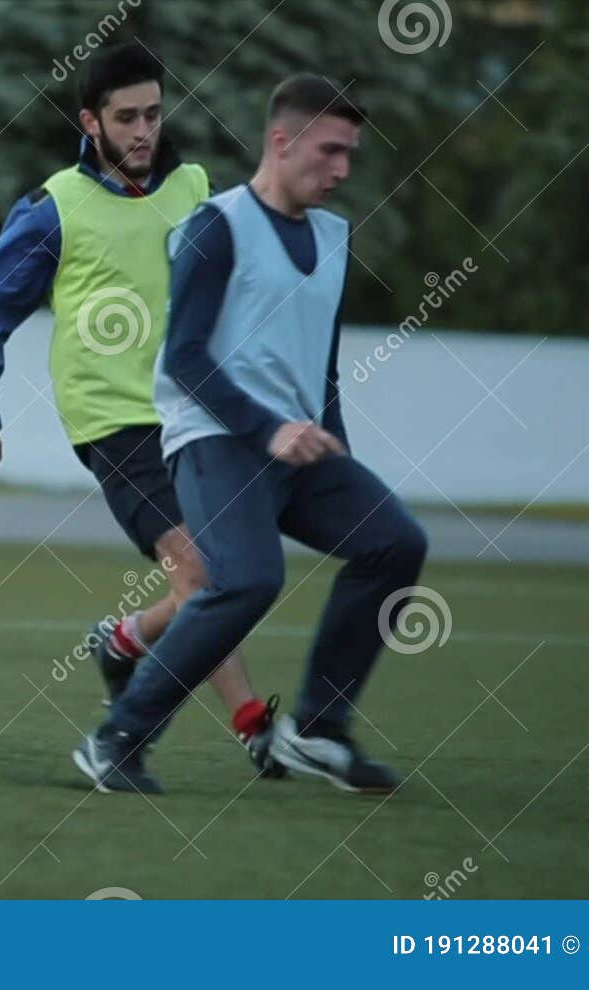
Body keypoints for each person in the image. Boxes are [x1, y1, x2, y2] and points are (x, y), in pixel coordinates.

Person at [73, 75, 429, 796]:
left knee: (395, 541)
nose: (342, 170)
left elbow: (319, 368)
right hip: (215, 440)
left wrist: (337, 457)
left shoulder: (334, 235)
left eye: (350, 154)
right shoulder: (217, 226)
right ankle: (116, 740)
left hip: (298, 449)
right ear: (282, 141)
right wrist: (268, 430)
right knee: (246, 581)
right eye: (330, 151)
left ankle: (319, 732)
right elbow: (185, 359)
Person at [0, 42, 277, 765]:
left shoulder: (196, 187)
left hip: (192, 410)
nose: (143, 131)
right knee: (202, 571)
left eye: (154, 114)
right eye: (125, 117)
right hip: (112, 417)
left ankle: (124, 640)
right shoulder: (52, 208)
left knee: (219, 574)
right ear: (90, 122)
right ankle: (246, 726)